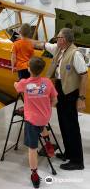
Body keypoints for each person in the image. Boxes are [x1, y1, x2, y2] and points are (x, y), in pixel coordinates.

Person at [31, 27, 88, 170]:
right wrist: (25, 41)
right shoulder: (59, 48)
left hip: (70, 93)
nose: (56, 39)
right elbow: (43, 44)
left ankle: (77, 161)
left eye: (59, 37)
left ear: (65, 39)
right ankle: (68, 153)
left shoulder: (75, 54)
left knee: (72, 127)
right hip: (61, 90)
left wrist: (81, 98)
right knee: (63, 124)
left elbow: (84, 75)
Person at [14, 57, 57, 188]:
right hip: (45, 117)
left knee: (32, 148)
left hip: (32, 120)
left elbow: (16, 86)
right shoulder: (48, 82)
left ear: (29, 69)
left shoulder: (25, 83)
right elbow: (55, 101)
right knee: (41, 126)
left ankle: (34, 174)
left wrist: (17, 83)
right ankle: (48, 144)